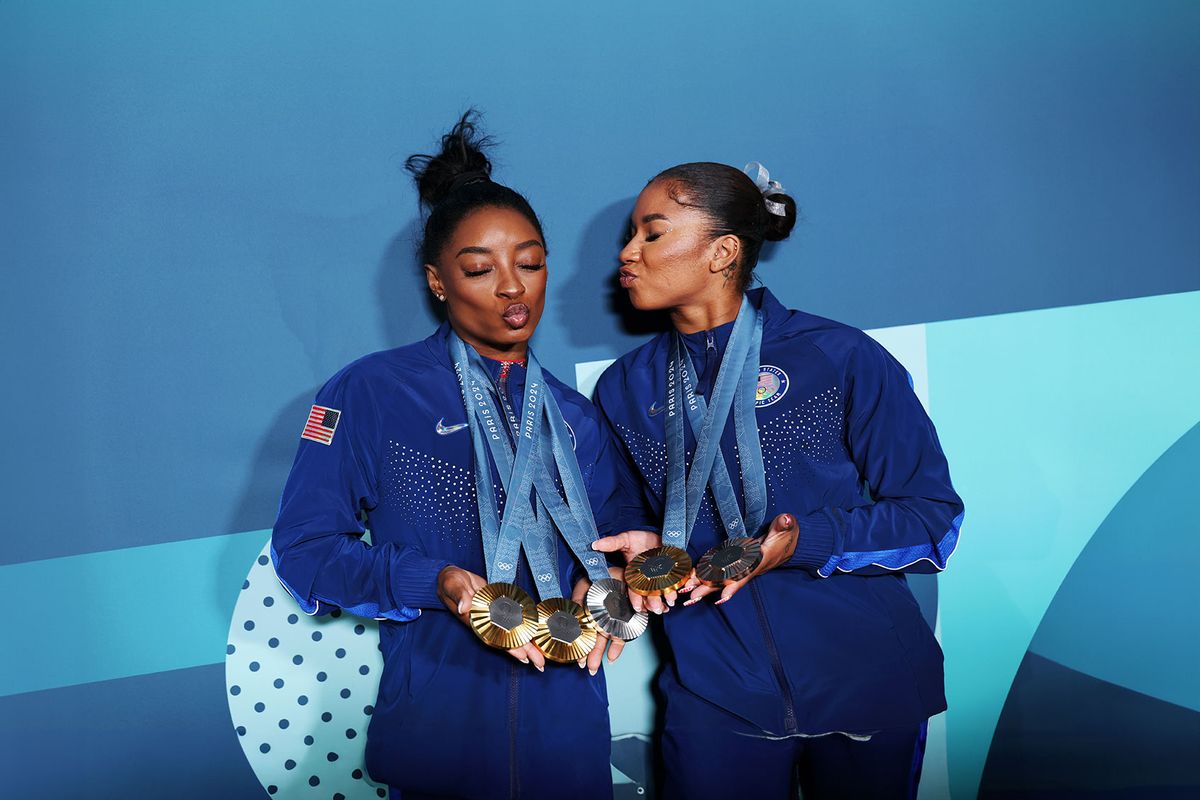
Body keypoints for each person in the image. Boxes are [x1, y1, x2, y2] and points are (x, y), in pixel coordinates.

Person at [271, 113, 623, 800]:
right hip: (441, 743)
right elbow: (305, 551)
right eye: (478, 268)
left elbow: (608, 548)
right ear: (437, 282)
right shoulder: (371, 392)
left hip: (571, 748)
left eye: (530, 262)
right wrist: (436, 583)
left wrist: (601, 581)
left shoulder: (576, 415)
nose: (512, 287)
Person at [592, 161, 964, 799]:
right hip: (716, 694)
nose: (627, 253)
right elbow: (623, 516)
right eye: (631, 234)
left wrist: (803, 543)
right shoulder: (626, 386)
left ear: (723, 252)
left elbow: (933, 521)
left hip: (866, 685)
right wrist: (632, 543)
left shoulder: (836, 356)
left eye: (652, 234)